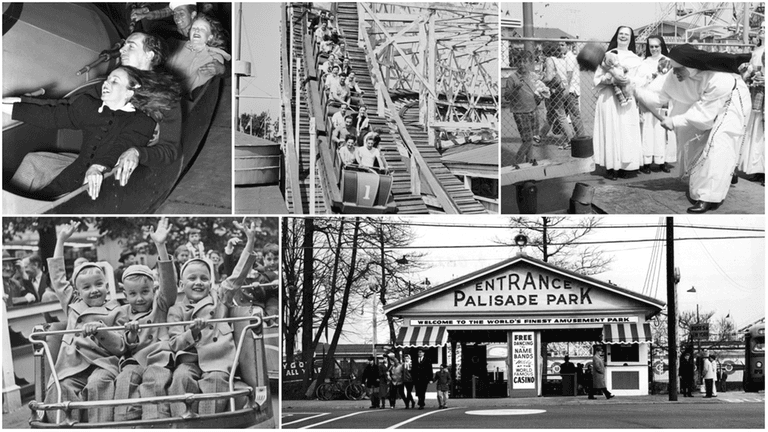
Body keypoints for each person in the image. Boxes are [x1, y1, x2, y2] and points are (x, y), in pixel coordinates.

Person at [3, 67, 159, 200]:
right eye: (107, 79)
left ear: (129, 92)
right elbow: (52, 115)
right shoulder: (90, 107)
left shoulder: (142, 121)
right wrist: (6, 107)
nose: (106, 83)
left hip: (108, 178)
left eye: (115, 81)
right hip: (74, 171)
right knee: (33, 161)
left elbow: (122, 146)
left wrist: (98, 168)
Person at [635, 44, 752, 213]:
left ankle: (708, 197)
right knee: (692, 140)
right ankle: (722, 174)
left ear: (690, 66)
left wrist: (673, 121)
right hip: (703, 104)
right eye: (673, 69)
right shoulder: (674, 74)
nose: (674, 74)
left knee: (718, 144)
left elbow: (704, 115)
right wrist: (634, 90)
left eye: (678, 70)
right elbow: (656, 96)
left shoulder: (720, 79)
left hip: (731, 102)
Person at [167, 220, 258, 416]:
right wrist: (192, 332)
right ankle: (180, 425)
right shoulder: (176, 310)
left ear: (211, 282)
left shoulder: (219, 297)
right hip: (189, 361)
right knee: (181, 378)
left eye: (203, 278)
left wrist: (250, 241)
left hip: (218, 360)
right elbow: (174, 344)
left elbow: (238, 275)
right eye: (192, 279)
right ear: (182, 285)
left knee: (216, 381)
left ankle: (208, 423)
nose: (198, 283)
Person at [45, 222, 127, 423]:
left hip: (102, 363)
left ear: (107, 286)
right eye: (87, 287)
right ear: (77, 291)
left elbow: (121, 346)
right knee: (62, 388)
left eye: (99, 284)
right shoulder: (73, 304)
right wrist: (61, 240)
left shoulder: (117, 309)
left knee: (98, 384)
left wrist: (101, 331)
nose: (94, 290)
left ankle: (101, 427)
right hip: (73, 365)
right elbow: (57, 277)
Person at [114, 218, 177, 420]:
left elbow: (168, 283)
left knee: (154, 380)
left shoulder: (160, 304)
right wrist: (131, 335)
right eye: (133, 294)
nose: (139, 298)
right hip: (135, 360)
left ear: (154, 290)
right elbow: (122, 345)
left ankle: (155, 422)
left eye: (145, 292)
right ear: (125, 295)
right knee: (124, 379)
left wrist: (160, 246)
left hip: (159, 358)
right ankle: (124, 422)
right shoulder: (122, 312)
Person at [593, 26, 643, 181]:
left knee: (626, 131)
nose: (623, 37)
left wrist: (628, 80)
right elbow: (596, 79)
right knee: (611, 129)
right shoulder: (607, 56)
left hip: (627, 98)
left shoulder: (636, 58)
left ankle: (624, 166)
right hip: (609, 98)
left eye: (626, 35)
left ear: (631, 38)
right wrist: (610, 79)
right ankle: (610, 167)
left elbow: (641, 80)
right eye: (621, 34)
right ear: (616, 36)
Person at [638, 35, 676, 174]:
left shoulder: (667, 61)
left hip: (663, 100)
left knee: (662, 131)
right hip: (648, 99)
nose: (654, 49)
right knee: (647, 130)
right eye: (651, 46)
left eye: (656, 46)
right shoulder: (643, 62)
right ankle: (647, 162)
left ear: (661, 47)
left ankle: (662, 161)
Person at [166, 13, 230, 94]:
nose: (197, 30)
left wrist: (221, 68)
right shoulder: (178, 43)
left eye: (202, 29)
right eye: (194, 28)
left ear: (210, 37)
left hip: (174, 91)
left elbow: (191, 82)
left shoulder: (213, 56)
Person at [738, 23, 765, 185]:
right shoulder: (756, 51)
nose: (762, 30)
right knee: (756, 132)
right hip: (757, 93)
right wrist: (747, 73)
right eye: (761, 28)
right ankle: (758, 169)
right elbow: (752, 72)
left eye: (765, 28)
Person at [505, 50, 542, 164]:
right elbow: (507, 96)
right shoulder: (513, 78)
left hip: (533, 110)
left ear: (530, 63)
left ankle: (529, 161)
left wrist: (540, 98)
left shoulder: (533, 76)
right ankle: (518, 161)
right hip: (520, 112)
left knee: (531, 139)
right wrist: (516, 88)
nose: (522, 64)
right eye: (520, 61)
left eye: (525, 61)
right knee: (527, 140)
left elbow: (538, 93)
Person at [540, 42, 573, 147]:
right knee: (551, 114)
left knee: (560, 115)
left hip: (555, 91)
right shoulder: (562, 60)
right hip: (563, 89)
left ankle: (571, 139)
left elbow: (549, 77)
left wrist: (540, 80)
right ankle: (541, 135)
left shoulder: (550, 60)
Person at [559, 38, 586, 139]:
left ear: (568, 46)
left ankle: (581, 138)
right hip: (567, 90)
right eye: (559, 45)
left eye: (562, 45)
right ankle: (568, 139)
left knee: (574, 116)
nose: (560, 47)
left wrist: (566, 89)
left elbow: (569, 75)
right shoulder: (565, 57)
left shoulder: (570, 57)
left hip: (570, 91)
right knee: (561, 115)